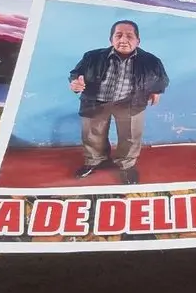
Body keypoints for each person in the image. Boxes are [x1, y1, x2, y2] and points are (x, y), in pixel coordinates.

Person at [68, 20, 170, 185]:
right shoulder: (91, 56)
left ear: (138, 40)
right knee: (92, 134)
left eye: (129, 36)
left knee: (130, 136)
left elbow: (161, 78)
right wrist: (75, 83)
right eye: (118, 35)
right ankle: (95, 160)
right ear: (111, 40)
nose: (123, 40)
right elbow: (76, 74)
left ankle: (127, 165)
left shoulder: (151, 60)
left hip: (131, 102)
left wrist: (157, 90)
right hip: (96, 101)